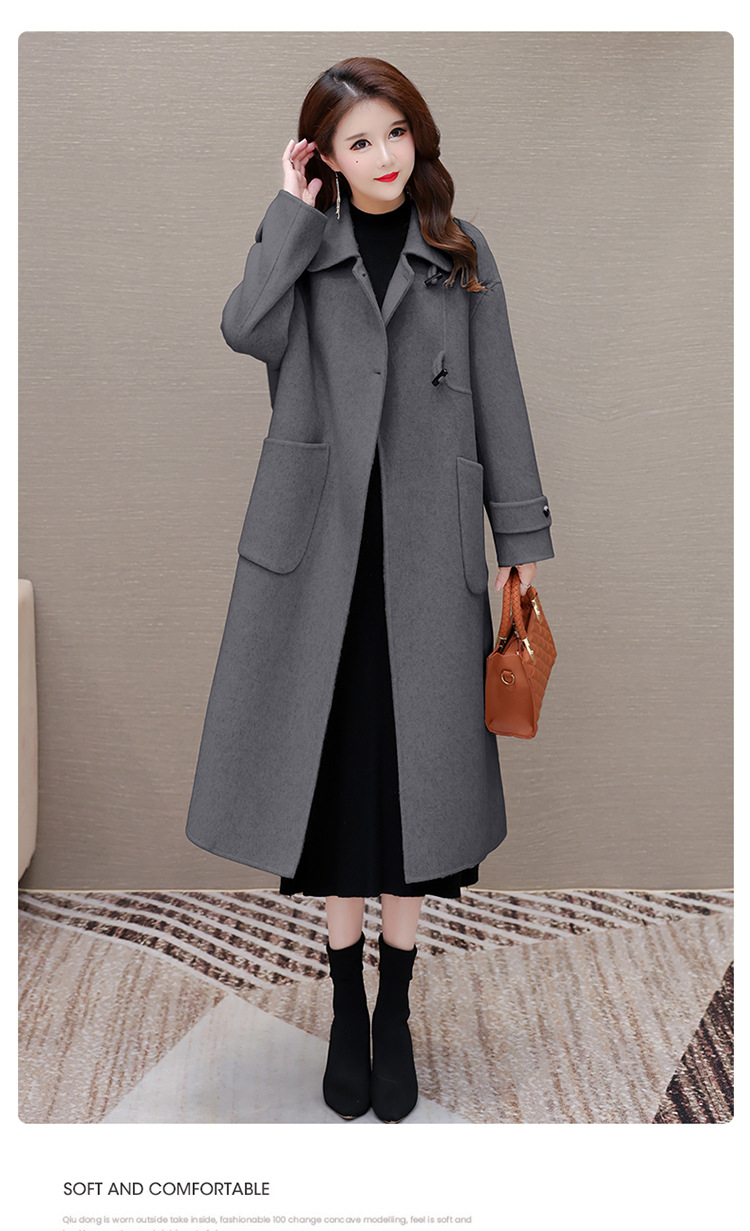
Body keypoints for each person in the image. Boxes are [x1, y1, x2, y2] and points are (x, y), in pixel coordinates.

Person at [185, 57, 554, 1124]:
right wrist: (287, 213)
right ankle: (346, 1005)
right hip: (322, 560)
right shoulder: (303, 246)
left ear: (417, 135)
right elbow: (243, 327)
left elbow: (500, 395)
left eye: (396, 132)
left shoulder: (460, 249)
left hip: (426, 555)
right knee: (340, 790)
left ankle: (396, 1008)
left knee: (410, 795)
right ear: (327, 159)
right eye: (358, 142)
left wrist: (520, 536)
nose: (385, 155)